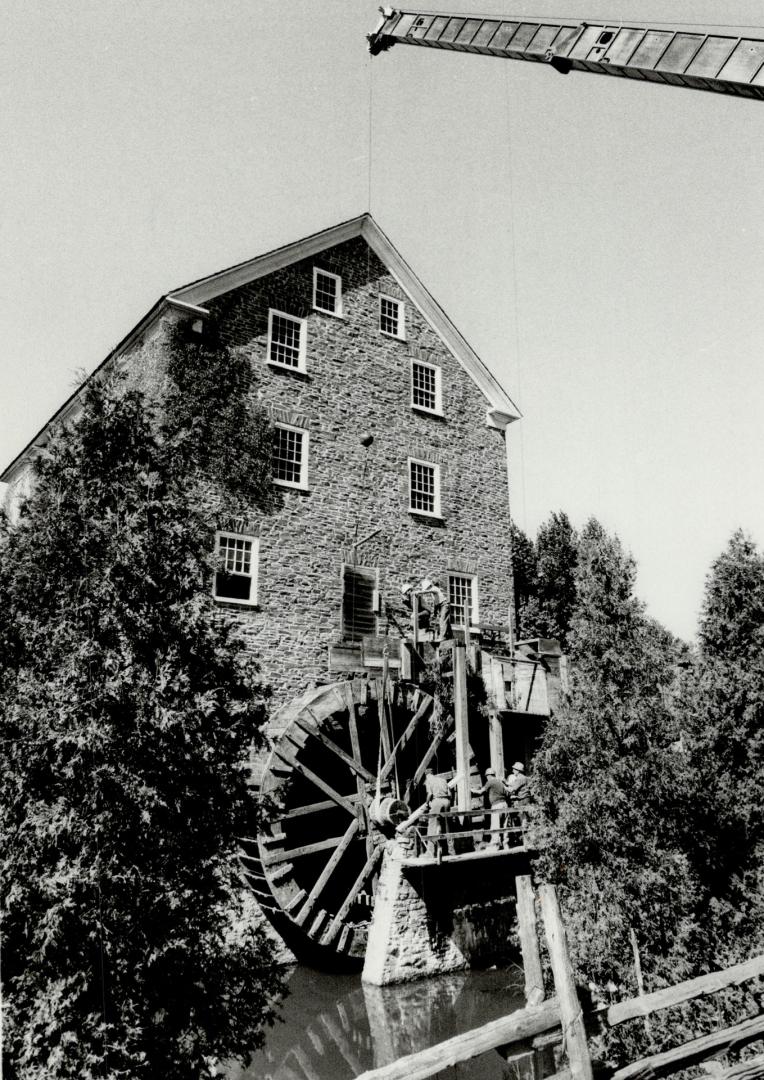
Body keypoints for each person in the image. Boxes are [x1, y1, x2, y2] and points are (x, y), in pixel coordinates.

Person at [423, 767, 459, 856]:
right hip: (446, 802)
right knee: (447, 826)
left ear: (427, 775)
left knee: (432, 825)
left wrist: (427, 804)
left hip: (437, 802)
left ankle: (430, 852)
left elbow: (430, 794)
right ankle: (451, 850)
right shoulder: (442, 780)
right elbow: (450, 794)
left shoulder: (428, 780)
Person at [472, 767, 509, 850]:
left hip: (496, 805)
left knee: (495, 826)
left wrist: (472, 790)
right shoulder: (500, 782)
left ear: (488, 775)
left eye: (486, 776)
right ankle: (506, 844)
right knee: (505, 826)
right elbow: (506, 792)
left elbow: (481, 791)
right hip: (504, 804)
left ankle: (495, 846)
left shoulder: (490, 782)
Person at [504, 761, 531, 834]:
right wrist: (506, 783)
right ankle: (527, 836)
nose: (513, 771)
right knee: (526, 818)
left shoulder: (519, 778)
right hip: (526, 799)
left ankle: (526, 836)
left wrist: (503, 786)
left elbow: (512, 789)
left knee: (523, 819)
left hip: (523, 800)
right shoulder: (523, 777)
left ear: (518, 770)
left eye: (514, 769)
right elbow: (515, 784)